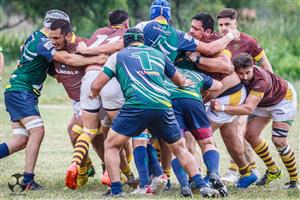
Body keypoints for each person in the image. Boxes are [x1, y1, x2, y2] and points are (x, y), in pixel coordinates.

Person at [90, 28, 220, 198]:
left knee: (112, 145)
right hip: (163, 106)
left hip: (136, 106)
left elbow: (96, 85)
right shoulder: (159, 55)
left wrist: (93, 93)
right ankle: (202, 186)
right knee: (180, 148)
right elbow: (180, 80)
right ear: (142, 41)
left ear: (125, 42)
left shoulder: (118, 56)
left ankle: (116, 191)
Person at [0, 9, 104, 190]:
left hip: (17, 91)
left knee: (20, 141)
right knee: (37, 131)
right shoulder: (43, 40)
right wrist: (97, 58)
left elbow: (54, 70)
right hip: (21, 91)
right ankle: (28, 180)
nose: (56, 36)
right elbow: (66, 58)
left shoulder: (36, 37)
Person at [186, 13, 258, 188]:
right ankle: (247, 173)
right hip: (224, 93)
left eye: (196, 28)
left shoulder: (216, 42)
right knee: (230, 138)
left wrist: (198, 59)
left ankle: (205, 178)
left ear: (208, 32)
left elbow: (226, 65)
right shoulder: (196, 41)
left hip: (229, 95)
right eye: (191, 27)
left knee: (197, 135)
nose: (191, 31)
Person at [65, 10, 132, 190]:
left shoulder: (97, 33)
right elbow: (119, 45)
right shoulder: (127, 33)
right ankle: (114, 173)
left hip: (89, 77)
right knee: (120, 131)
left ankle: (75, 165)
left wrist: (88, 50)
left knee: (88, 130)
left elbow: (81, 50)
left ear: (109, 23)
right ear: (126, 23)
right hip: (110, 78)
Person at [211, 53, 299, 189]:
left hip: (283, 100)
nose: (245, 77)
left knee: (279, 141)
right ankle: (273, 170)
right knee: (250, 135)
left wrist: (222, 107)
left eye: (248, 72)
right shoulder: (235, 75)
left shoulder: (260, 80)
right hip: (263, 103)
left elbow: (247, 108)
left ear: (253, 67)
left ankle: (295, 181)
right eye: (241, 73)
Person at [49, 19, 108, 188]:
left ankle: (86, 170)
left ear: (68, 35)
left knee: (76, 133)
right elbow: (62, 64)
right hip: (77, 102)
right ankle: (96, 168)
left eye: (57, 38)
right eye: (51, 38)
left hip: (92, 99)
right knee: (94, 138)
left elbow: (102, 61)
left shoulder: (83, 45)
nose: (53, 42)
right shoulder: (51, 49)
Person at [217, 8, 272, 182]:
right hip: (225, 94)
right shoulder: (217, 42)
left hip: (246, 96)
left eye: (228, 24)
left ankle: (234, 171)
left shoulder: (250, 42)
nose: (224, 28)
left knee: (239, 131)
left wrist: (265, 93)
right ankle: (252, 170)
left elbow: (267, 68)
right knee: (235, 134)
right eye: (221, 25)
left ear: (236, 24)